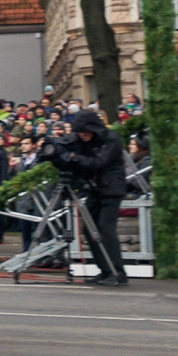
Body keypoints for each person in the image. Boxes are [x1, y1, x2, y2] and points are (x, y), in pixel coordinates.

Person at [46, 109, 129, 287]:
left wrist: (75, 157)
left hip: (111, 189)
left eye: (85, 132)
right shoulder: (85, 140)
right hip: (94, 189)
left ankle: (117, 271)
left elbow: (99, 162)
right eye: (80, 132)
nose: (82, 136)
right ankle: (105, 270)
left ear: (94, 129)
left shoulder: (111, 139)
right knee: (89, 231)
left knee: (106, 229)